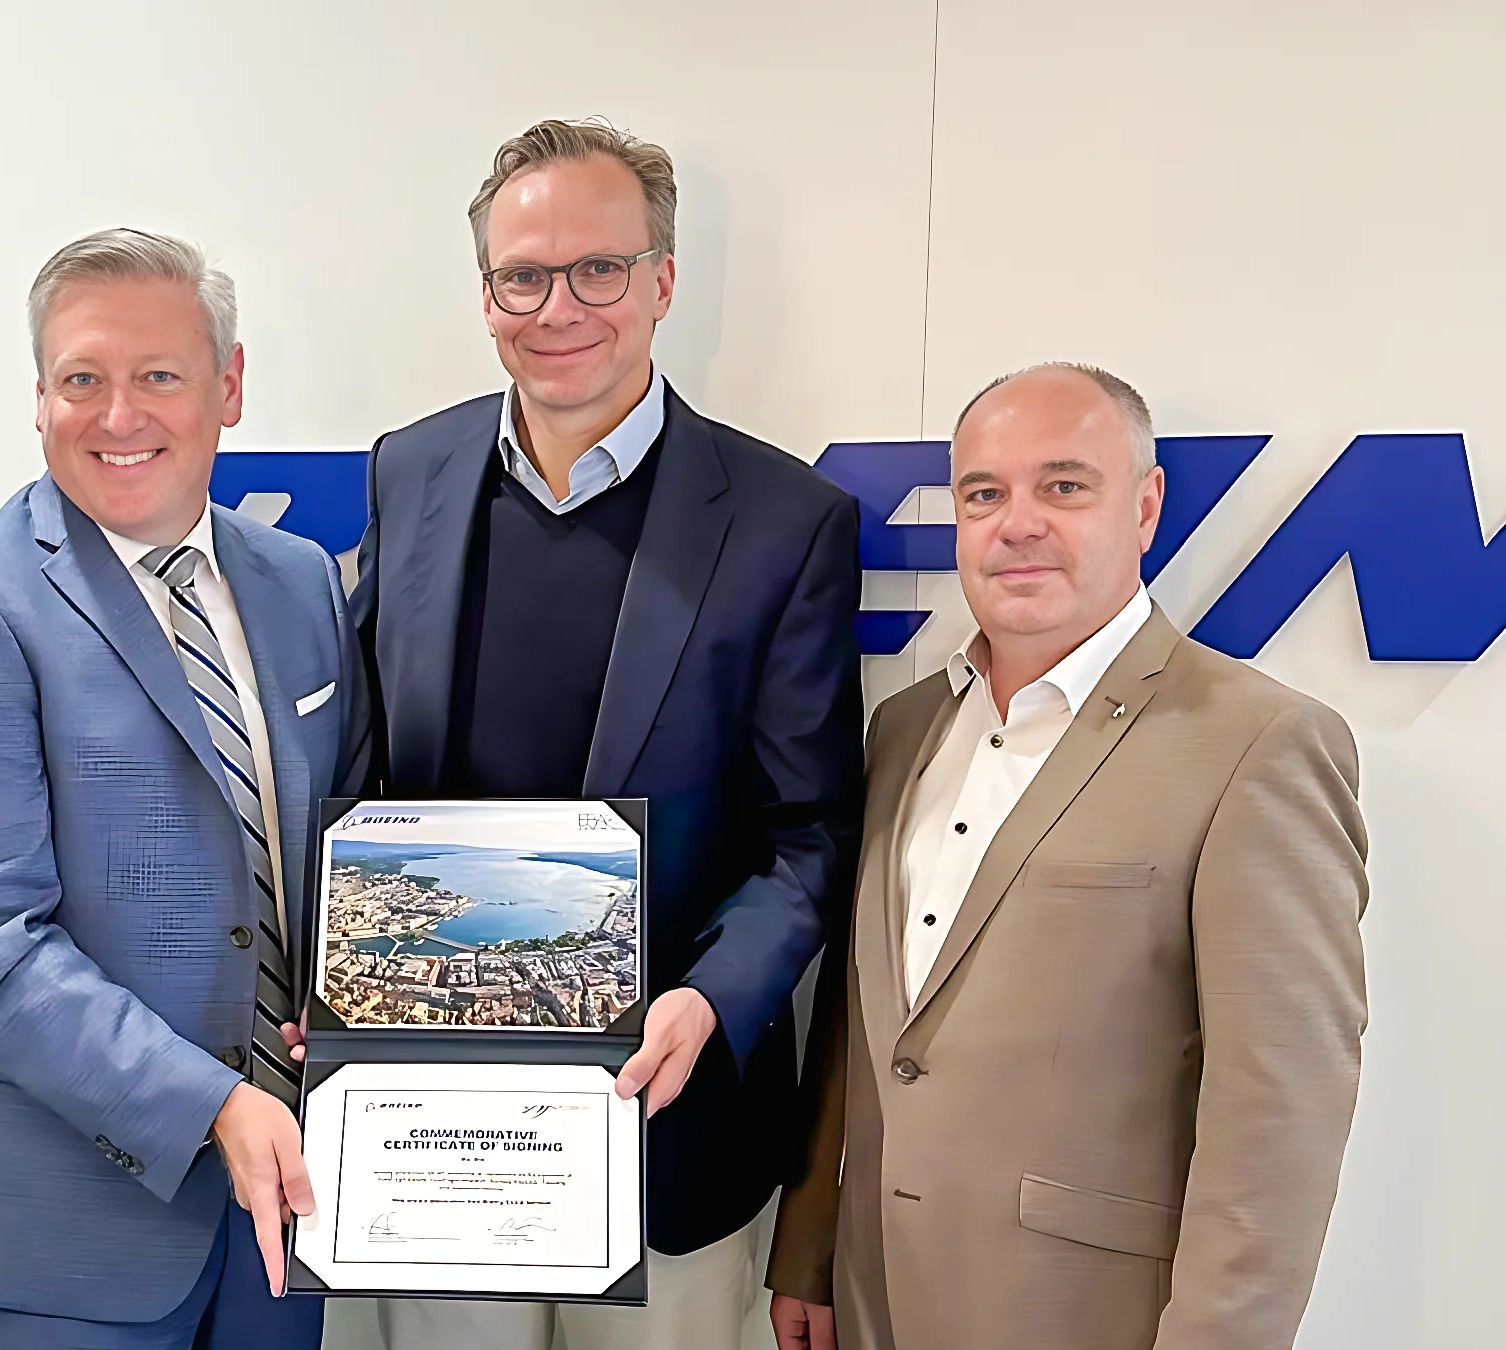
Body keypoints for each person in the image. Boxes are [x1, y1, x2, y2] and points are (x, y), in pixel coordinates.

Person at [351, 119, 866, 1350]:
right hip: (441, 1130)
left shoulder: (786, 519)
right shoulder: (408, 473)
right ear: (486, 296)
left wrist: (710, 1000)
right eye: (523, 276)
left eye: (600, 270)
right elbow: (367, 774)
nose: (560, 306)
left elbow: (809, 835)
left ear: (662, 283)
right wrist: (342, 968)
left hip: (666, 1124)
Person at [765, 363, 1370, 1350]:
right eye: (984, 495)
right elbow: (864, 1025)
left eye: (1065, 486)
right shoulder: (905, 728)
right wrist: (813, 1247)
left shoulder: (1256, 744)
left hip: (1090, 1317)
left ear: (1146, 506)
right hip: (879, 1299)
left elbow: (1278, 1110)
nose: (1019, 523)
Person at [0, 228, 368, 1350]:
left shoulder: (298, 585)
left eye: (159, 376)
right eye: (82, 379)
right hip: (61, 1240)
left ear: (229, 388)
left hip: (284, 1222)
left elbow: (346, 846)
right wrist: (211, 1104)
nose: (118, 415)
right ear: (39, 398)